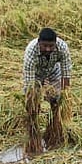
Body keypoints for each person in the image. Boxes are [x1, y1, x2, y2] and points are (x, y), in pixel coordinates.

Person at [22, 27, 73, 155]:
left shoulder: (62, 47)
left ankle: (56, 130)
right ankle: (33, 132)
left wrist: (63, 96)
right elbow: (30, 83)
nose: (48, 49)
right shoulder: (31, 51)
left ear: (55, 43)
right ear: (39, 42)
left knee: (56, 100)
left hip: (54, 71)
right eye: (45, 46)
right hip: (36, 74)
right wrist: (33, 101)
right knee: (33, 104)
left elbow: (66, 74)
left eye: (51, 46)